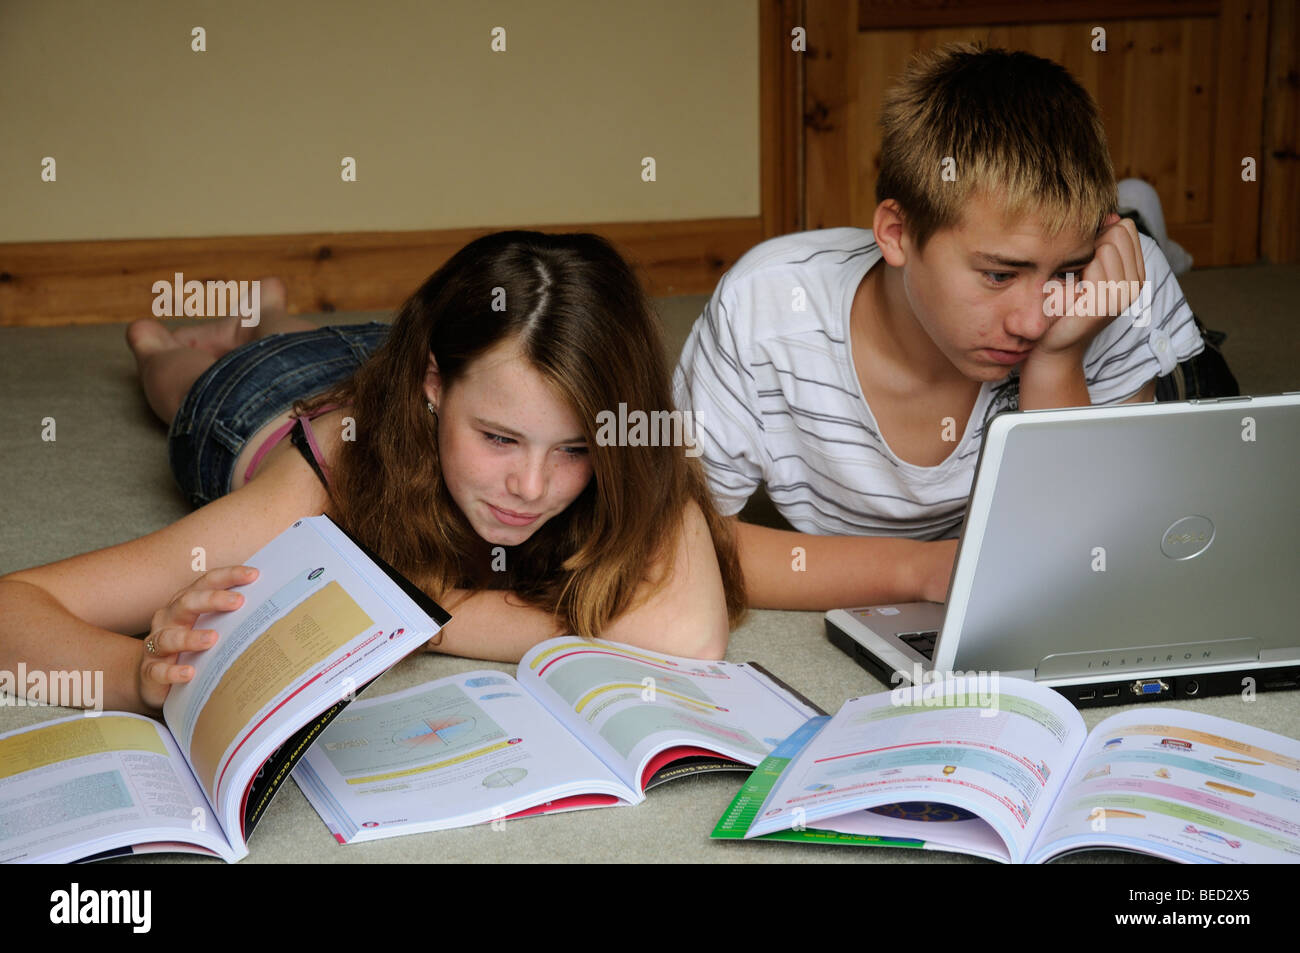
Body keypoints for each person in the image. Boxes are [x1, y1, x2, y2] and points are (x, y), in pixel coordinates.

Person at [0, 230, 745, 715]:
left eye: (577, 448)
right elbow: (14, 607)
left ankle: (270, 308)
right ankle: (157, 342)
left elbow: (689, 631)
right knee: (187, 381)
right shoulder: (314, 491)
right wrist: (137, 676)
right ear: (434, 385)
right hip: (262, 400)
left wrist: (429, 613)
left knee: (342, 343)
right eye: (500, 439)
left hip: (400, 354)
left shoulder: (518, 389)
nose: (532, 486)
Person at [674, 43, 1212, 612]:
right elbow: (678, 545)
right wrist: (922, 570)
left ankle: (1139, 222)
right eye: (1000, 274)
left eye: (1068, 270)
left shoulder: (1109, 294)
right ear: (897, 233)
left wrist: (1058, 361)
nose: (1033, 321)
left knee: (1197, 408)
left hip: (1137, 320)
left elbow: (1090, 556)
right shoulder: (764, 310)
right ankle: (1135, 210)